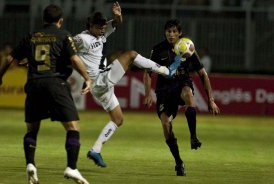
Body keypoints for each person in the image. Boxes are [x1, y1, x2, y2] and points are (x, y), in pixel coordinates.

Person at [0, 4, 91, 184]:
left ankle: (30, 164)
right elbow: (74, 59)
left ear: (42, 20)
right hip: (55, 83)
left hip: (34, 84)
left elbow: (9, 59)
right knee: (72, 127)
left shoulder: (31, 36)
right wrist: (87, 78)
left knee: (32, 129)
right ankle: (72, 167)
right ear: (60, 21)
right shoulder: (63, 34)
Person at [73, 2, 177, 168]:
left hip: (101, 84)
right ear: (90, 26)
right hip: (100, 79)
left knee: (118, 119)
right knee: (131, 55)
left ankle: (96, 150)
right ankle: (166, 71)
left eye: (103, 28)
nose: (102, 31)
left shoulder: (100, 33)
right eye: (99, 28)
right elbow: (66, 48)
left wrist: (118, 15)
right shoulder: (82, 38)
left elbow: (117, 23)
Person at [143, 19, 220, 176]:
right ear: (165, 33)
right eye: (168, 31)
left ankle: (193, 137)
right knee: (166, 125)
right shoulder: (158, 49)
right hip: (164, 90)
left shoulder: (188, 48)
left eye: (174, 31)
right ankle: (179, 162)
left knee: (188, 93)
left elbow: (203, 75)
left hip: (181, 83)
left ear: (179, 33)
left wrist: (210, 100)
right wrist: (147, 93)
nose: (171, 34)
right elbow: (147, 73)